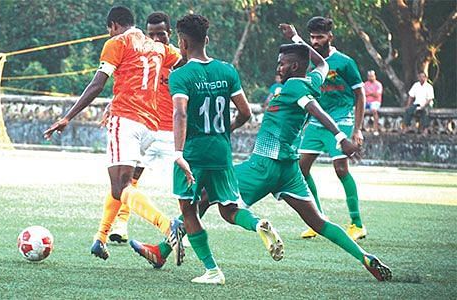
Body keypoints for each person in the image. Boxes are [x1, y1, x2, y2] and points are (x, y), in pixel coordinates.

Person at [131, 23, 393, 283]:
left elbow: (314, 109)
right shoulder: (312, 80)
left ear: (294, 66)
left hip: (263, 165)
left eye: (282, 63)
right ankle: (364, 257)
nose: (278, 67)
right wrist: (297, 39)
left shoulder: (294, 88)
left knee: (209, 200)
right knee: (318, 221)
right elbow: (322, 66)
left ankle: (167, 250)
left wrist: (341, 138)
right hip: (289, 169)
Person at [129, 14, 284, 285]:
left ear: (183, 42)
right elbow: (246, 112)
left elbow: (180, 113)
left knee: (189, 212)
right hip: (221, 152)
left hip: (193, 154)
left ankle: (212, 270)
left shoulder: (181, 75)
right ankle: (257, 224)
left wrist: (178, 153)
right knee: (229, 208)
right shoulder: (226, 70)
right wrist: (225, 131)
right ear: (208, 40)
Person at [43, 6, 185, 263]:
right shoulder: (159, 47)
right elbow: (184, 60)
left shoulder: (116, 42)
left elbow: (98, 83)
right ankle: (101, 236)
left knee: (121, 187)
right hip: (150, 126)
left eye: (109, 29)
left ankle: (167, 226)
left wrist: (67, 117)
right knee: (122, 184)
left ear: (114, 25)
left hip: (127, 121)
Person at [108, 11, 180, 245]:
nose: (157, 39)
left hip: (172, 134)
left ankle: (184, 226)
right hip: (147, 126)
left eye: (161, 34)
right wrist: (113, 103)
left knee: (187, 184)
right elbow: (132, 86)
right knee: (129, 179)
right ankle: (119, 224)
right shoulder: (145, 54)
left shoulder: (178, 61)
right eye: (152, 34)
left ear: (170, 34)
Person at [297, 17, 367, 241]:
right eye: (312, 37)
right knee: (301, 169)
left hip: (342, 119)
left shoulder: (345, 62)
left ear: (330, 37)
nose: (315, 41)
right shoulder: (309, 63)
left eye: (320, 37)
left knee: (341, 169)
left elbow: (360, 94)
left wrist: (357, 129)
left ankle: (357, 224)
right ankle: (318, 220)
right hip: (318, 122)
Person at [364, 70, 383, 135]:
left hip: (375, 102)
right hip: (366, 102)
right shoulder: (365, 84)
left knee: (374, 110)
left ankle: (375, 129)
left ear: (375, 76)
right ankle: (359, 128)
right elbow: (363, 94)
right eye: (369, 76)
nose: (371, 77)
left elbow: (377, 95)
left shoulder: (378, 84)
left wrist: (368, 93)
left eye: (372, 76)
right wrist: (372, 93)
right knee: (357, 110)